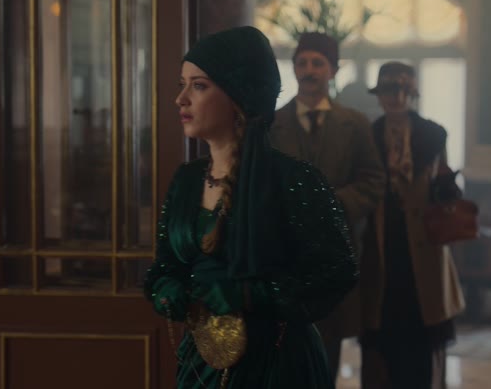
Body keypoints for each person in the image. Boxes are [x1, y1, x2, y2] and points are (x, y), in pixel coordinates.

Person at [144, 26, 358, 388]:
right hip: (202, 366)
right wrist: (166, 291)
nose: (181, 99)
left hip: (277, 366)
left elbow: (335, 274)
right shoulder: (186, 180)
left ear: (238, 95)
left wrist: (249, 293)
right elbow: (164, 266)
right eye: (182, 84)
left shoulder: (296, 180)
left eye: (199, 86)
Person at [269, 32, 385, 381]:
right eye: (302, 63)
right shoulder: (272, 125)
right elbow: (259, 183)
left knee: (327, 348)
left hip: (335, 254)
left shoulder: (355, 124)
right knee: (283, 349)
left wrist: (333, 204)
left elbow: (373, 181)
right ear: (293, 69)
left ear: (333, 70)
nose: (309, 71)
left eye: (318, 63)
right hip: (284, 255)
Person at [360, 62, 465, 389]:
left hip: (424, 247)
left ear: (413, 94)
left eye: (403, 91)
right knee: (382, 334)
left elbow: (444, 186)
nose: (396, 98)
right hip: (380, 244)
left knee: (422, 336)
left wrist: (447, 186)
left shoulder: (433, 134)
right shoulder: (368, 135)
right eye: (389, 91)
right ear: (379, 96)